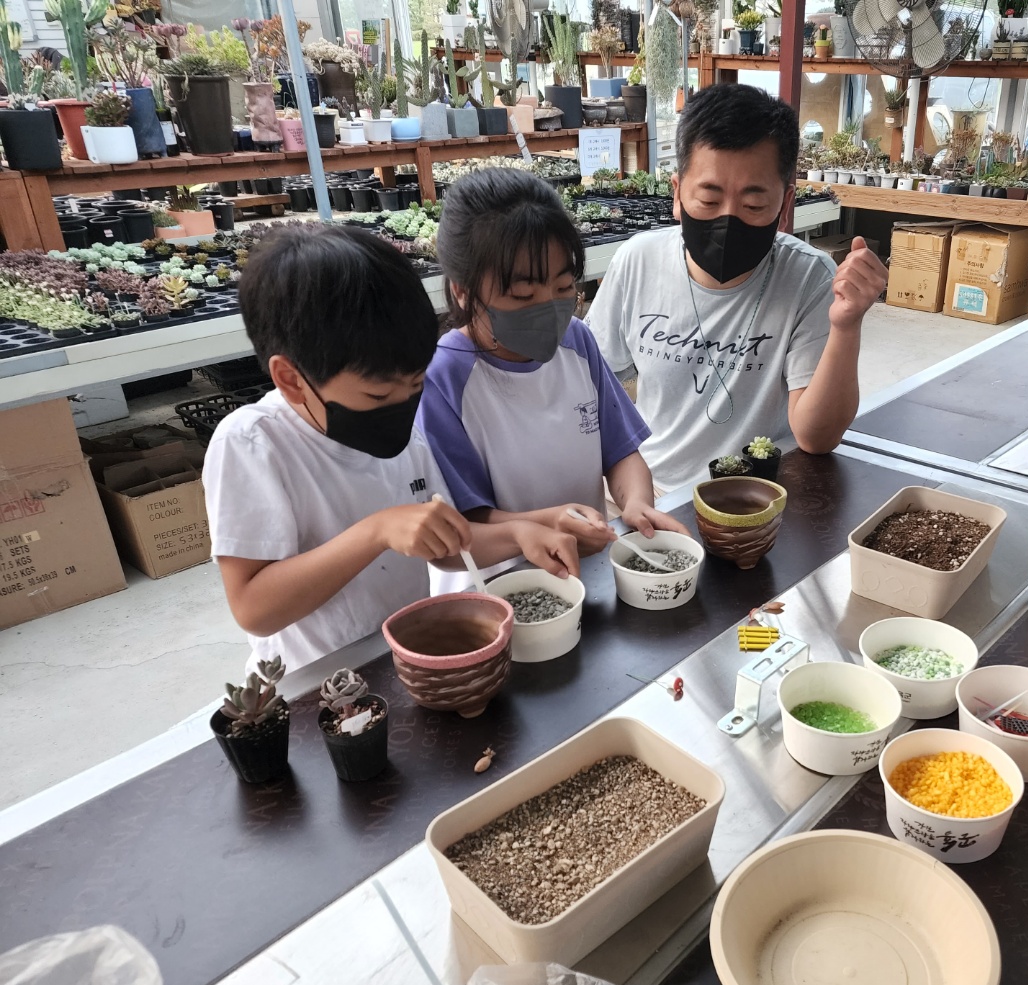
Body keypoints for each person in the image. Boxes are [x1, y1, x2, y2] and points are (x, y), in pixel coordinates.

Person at [205, 226, 579, 670]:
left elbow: (444, 546)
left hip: (403, 657)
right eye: (378, 397)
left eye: (416, 384)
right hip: (313, 679)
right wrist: (376, 531)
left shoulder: (406, 433)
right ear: (291, 379)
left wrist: (520, 533)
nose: (402, 404)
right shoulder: (252, 444)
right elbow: (254, 608)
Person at [585, 82, 889, 491]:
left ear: (784, 207)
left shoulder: (808, 278)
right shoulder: (638, 261)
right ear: (676, 195)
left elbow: (816, 438)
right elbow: (595, 388)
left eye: (753, 205)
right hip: (652, 491)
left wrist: (846, 327)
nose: (728, 219)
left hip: (755, 497)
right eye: (708, 201)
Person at [418, 169, 686, 594]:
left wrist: (635, 503)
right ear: (464, 292)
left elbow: (621, 454)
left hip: (584, 580)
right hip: (495, 595)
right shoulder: (443, 379)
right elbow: (459, 526)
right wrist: (545, 522)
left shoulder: (576, 342)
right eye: (522, 296)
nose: (550, 309)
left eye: (564, 287)